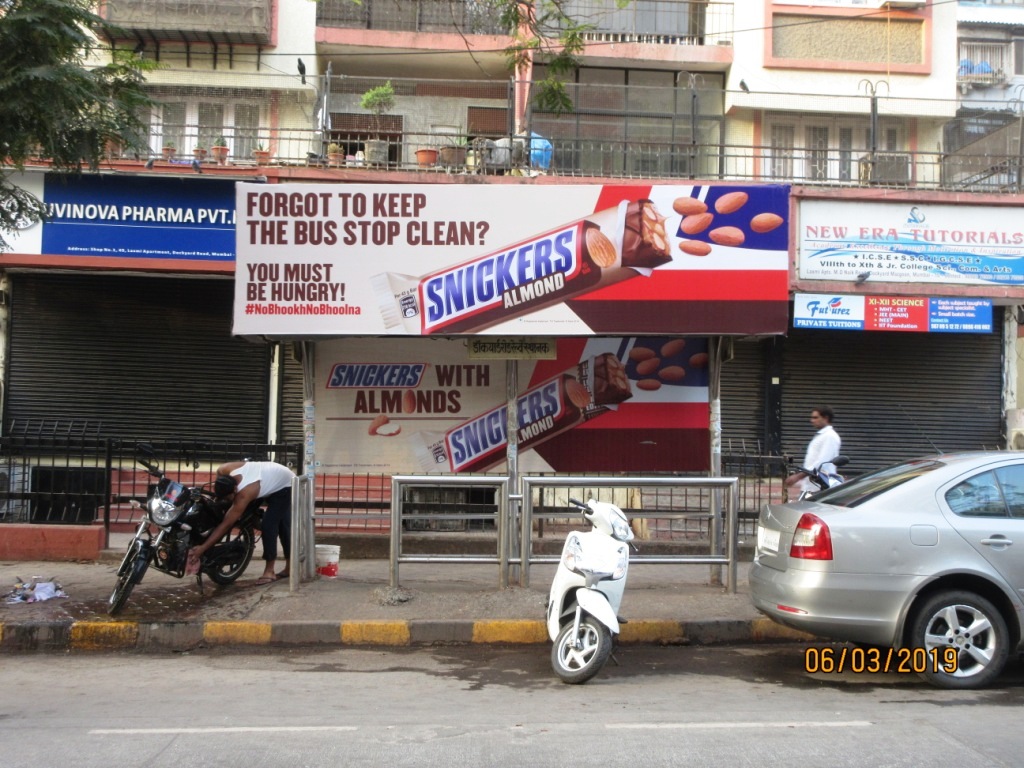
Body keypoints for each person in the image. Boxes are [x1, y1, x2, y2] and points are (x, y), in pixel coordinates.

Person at [187, 459, 296, 585]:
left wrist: (203, 548)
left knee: (270, 524)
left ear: (235, 489)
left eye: (229, 497)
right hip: (267, 475)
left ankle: (270, 570)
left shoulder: (245, 493)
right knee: (282, 524)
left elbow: (226, 524)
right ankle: (289, 567)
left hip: (285, 484)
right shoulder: (223, 470)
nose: (229, 499)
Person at [785, 406, 841, 497]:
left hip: (820, 488)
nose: (812, 420)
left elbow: (821, 463)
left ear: (826, 418)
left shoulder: (830, 436)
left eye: (815, 417)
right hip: (810, 486)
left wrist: (798, 477)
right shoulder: (821, 436)